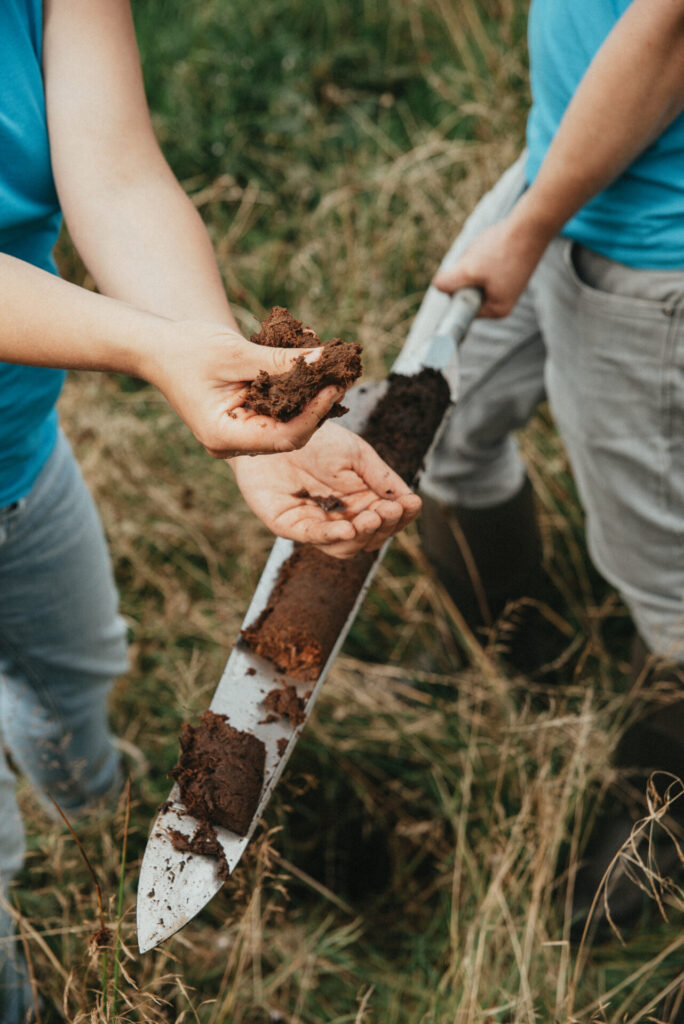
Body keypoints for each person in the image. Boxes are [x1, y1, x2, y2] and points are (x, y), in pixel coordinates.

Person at [0, 0, 422, 1017]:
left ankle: (95, 827)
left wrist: (234, 378)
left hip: (17, 459)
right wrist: (154, 350)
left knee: (79, 671)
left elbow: (115, 172)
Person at [409, 0, 684, 931]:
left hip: (648, 246)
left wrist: (533, 226)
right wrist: (538, 200)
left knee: (670, 583)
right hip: (565, 160)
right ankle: (513, 662)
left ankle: (659, 811)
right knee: (434, 431)